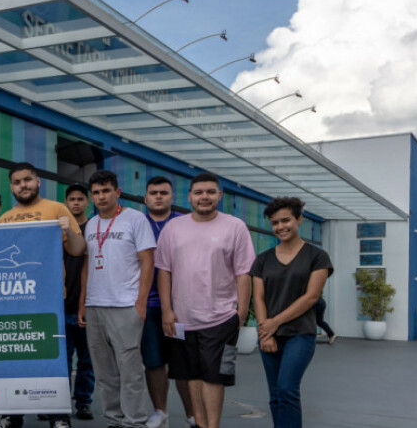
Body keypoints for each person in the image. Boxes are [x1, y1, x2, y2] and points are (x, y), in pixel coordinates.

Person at [156, 173, 255, 428]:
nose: (204, 197)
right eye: (199, 192)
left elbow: (244, 273)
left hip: (220, 317)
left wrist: (240, 313)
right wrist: (167, 310)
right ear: (189, 196)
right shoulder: (173, 228)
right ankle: (200, 424)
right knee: (191, 376)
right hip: (181, 319)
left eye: (211, 192)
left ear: (219, 196)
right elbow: (164, 270)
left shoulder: (235, 227)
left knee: (214, 377)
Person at [0, 163, 86, 428]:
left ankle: (59, 416)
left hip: (49, 297)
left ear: (38, 181)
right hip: (14, 298)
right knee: (16, 357)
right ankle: (12, 415)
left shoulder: (57, 208)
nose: (22, 185)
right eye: (16, 182)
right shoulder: (5, 218)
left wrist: (68, 229)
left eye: (27, 180)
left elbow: (79, 250)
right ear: (12, 187)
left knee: (53, 358)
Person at [76, 171, 154, 428]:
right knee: (104, 372)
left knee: (130, 371)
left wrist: (140, 303)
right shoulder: (90, 224)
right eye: (96, 192)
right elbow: (87, 264)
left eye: (106, 190)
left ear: (117, 192)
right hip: (95, 305)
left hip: (125, 306)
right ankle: (114, 420)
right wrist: (82, 303)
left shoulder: (135, 219)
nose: (101, 196)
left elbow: (147, 261)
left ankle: (135, 422)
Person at [251, 197, 333, 428]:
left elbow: (311, 297)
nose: (280, 227)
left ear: (299, 220)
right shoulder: (262, 260)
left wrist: (273, 323)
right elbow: (258, 297)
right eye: (275, 222)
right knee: (276, 394)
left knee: (287, 388)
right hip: (269, 333)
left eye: (286, 220)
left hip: (300, 334)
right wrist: (265, 333)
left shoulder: (317, 257)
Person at [141, 177, 195, 428]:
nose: (158, 196)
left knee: (182, 364)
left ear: (172, 197)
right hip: (148, 305)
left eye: (164, 192)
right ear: (145, 198)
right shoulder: (137, 223)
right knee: (153, 362)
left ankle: (192, 414)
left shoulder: (185, 224)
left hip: (181, 306)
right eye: (153, 193)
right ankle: (160, 411)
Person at [62, 184, 95, 421]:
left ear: (87, 202)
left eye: (80, 199)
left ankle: (83, 402)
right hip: (60, 305)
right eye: (71, 199)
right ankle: (57, 404)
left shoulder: (94, 228)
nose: (76, 203)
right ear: (65, 202)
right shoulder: (58, 229)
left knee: (86, 360)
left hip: (88, 305)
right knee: (61, 361)